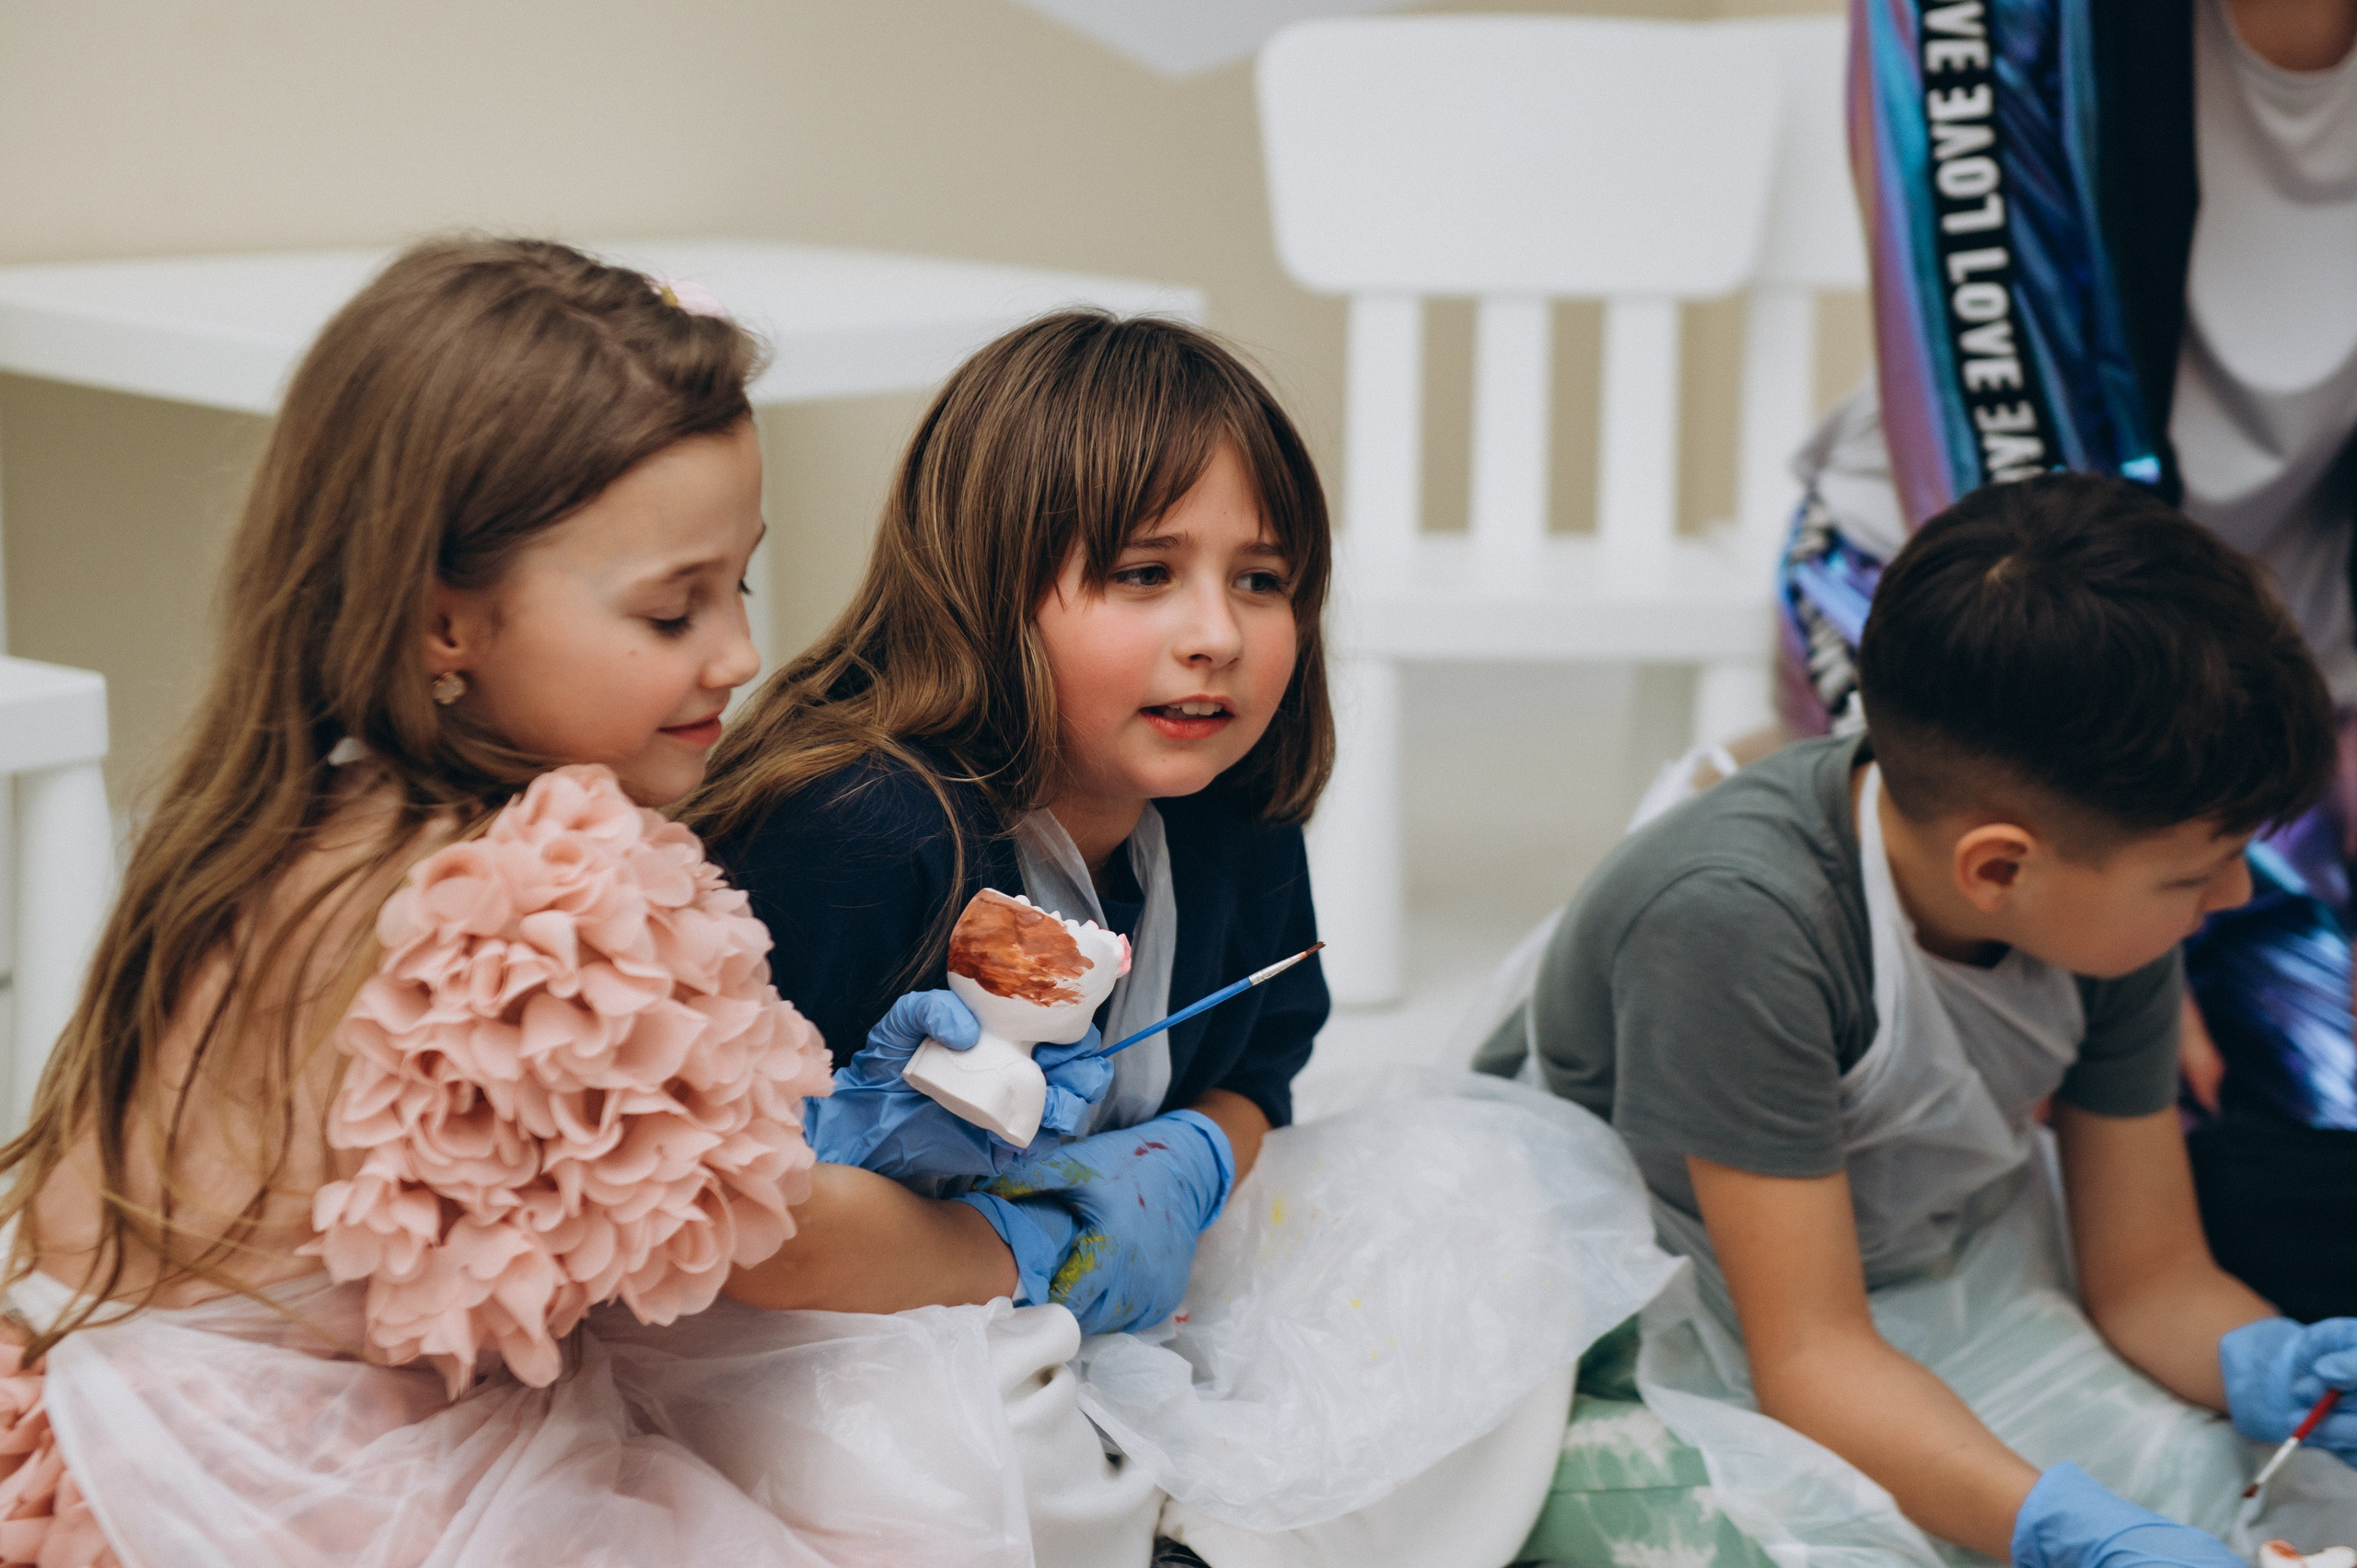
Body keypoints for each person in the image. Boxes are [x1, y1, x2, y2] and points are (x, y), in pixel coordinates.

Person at [0, 236, 1051, 1566]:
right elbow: (780, 1247)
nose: (738, 650)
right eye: (673, 612)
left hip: (77, 1428)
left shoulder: (291, 811)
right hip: (262, 1487)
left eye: (737, 582)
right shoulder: (542, 906)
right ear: (449, 623)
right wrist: (1029, 1238)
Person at [682, 311, 1665, 1568]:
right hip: (873, 1309)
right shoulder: (865, 836)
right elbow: (743, 1238)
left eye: (1262, 578)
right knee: (975, 1421)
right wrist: (1038, 1249)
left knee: (1489, 1207)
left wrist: (1185, 1160)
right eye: (1145, 573)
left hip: (1132, 1291)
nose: (1217, 632)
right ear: (986, 583)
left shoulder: (1225, 807)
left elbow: (1256, 1074)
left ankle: (1195, 1529)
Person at [1490, 476, 2357, 1565]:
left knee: (2227, 1492)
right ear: (1999, 865)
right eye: (2201, 870)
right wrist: (2062, 1530)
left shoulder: (2111, 903)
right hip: (1668, 1323)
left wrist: (2270, 1365)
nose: (2230, 897)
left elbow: (2148, 1277)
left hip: (1917, 1272)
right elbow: (1807, 1355)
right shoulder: (1738, 922)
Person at [1789, 0, 2357, 1318]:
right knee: (2121, 1102)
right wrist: (2144, 979)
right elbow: (2031, 549)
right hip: (1996, 627)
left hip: (2304, 668)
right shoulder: (1975, 19)